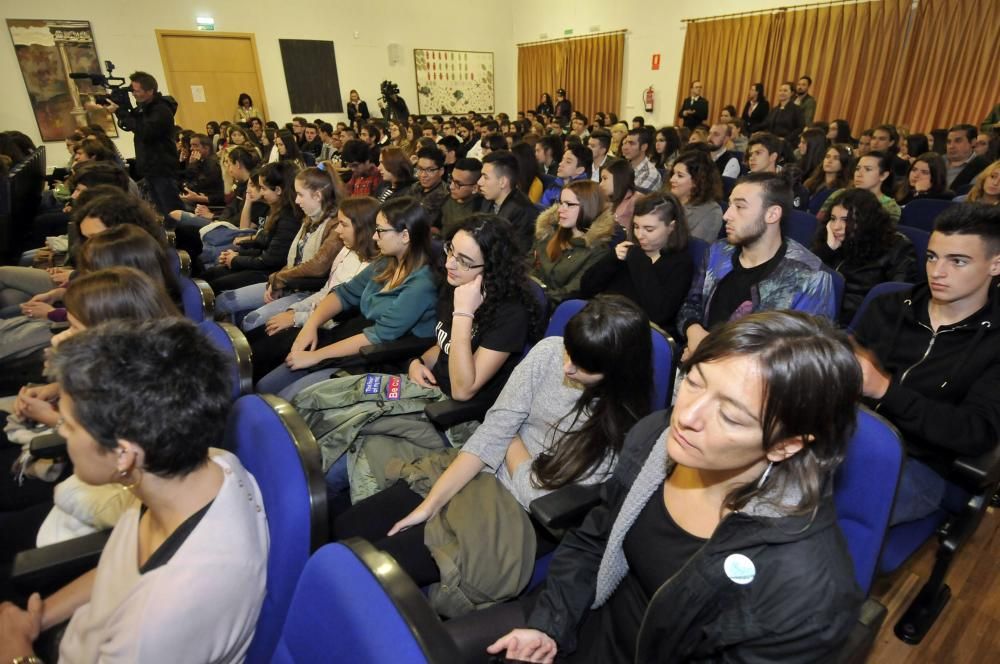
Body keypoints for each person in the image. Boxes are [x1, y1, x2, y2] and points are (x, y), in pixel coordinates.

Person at [484, 310, 864, 664]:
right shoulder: (655, 439)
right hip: (586, 619)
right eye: (694, 382)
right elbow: (594, 539)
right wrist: (549, 624)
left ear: (786, 445)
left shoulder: (806, 594)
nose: (687, 416)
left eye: (729, 415)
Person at [332, 296, 654, 613]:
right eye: (569, 353)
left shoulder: (622, 434)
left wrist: (510, 437)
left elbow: (537, 497)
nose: (567, 367)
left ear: (616, 372)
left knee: (367, 572)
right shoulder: (548, 354)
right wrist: (431, 503)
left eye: (582, 366)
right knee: (346, 530)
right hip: (483, 472)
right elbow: (490, 434)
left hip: (518, 518)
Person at [0, 317, 268, 663]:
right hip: (72, 631)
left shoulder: (156, 623)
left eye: (69, 423)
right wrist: (38, 618)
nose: (61, 433)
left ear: (124, 454)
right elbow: (118, 569)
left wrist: (17, 655)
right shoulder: (210, 466)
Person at [852, 204, 1000, 525]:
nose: (937, 272)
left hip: (921, 465)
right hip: (845, 432)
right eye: (932, 257)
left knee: (823, 501)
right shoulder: (889, 306)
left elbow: (975, 433)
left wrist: (885, 390)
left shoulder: (994, 342)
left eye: (957, 261)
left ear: (995, 264)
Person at [256, 196, 438, 395]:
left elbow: (378, 336)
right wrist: (311, 325)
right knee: (268, 374)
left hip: (383, 356)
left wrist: (316, 356)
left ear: (405, 236)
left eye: (380, 231)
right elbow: (344, 294)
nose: (375, 237)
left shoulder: (422, 284)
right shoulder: (388, 261)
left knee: (286, 392)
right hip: (354, 335)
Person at [677, 173, 836, 359]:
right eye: (729, 205)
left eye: (740, 207)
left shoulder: (810, 277)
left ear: (772, 214)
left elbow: (805, 358)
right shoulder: (718, 253)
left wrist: (715, 358)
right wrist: (695, 333)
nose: (727, 215)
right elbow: (691, 305)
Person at [244, 196, 380, 378]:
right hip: (314, 317)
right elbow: (325, 291)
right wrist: (294, 311)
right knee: (256, 337)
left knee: (264, 351)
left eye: (344, 224)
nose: (338, 230)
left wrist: (297, 319)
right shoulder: (347, 250)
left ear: (363, 228)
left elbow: (344, 318)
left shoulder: (376, 268)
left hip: (332, 330)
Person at [214, 165, 345, 325]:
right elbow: (293, 260)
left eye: (300, 195)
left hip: (308, 291)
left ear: (317, 196)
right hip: (288, 282)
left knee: (251, 321)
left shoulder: (335, 226)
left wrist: (280, 278)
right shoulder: (309, 219)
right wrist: (277, 281)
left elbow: (317, 266)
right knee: (223, 300)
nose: (296, 200)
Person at [581, 192, 694, 333]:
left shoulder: (680, 264)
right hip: (603, 323)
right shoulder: (626, 251)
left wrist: (638, 258)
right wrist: (611, 259)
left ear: (671, 227)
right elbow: (586, 288)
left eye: (649, 229)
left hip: (634, 335)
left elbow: (658, 314)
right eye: (636, 226)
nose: (639, 235)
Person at [812, 188, 919, 324]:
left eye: (846, 220)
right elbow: (803, 279)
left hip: (860, 324)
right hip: (821, 315)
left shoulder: (897, 247)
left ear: (866, 220)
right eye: (833, 219)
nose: (836, 227)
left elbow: (897, 300)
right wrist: (827, 250)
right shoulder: (832, 241)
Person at [86, 71, 181, 216]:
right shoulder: (145, 108)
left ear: (150, 91)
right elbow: (133, 123)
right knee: (162, 211)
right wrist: (119, 110)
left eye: (137, 91)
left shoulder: (161, 110)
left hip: (162, 167)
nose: (134, 94)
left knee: (173, 211)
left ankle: (185, 236)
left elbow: (145, 131)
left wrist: (121, 112)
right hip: (150, 167)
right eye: (132, 90)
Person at [201, 162, 302, 294]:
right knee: (211, 275)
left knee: (215, 286)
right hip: (262, 266)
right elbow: (265, 247)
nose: (262, 193)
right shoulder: (278, 209)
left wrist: (236, 260)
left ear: (278, 190)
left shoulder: (289, 218)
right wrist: (237, 255)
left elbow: (272, 260)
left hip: (269, 274)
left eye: (264, 188)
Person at [532, 180, 615, 305]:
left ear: (588, 208)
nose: (560, 209)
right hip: (530, 299)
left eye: (569, 204)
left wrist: (531, 299)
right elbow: (527, 264)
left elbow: (570, 293)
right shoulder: (549, 231)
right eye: (561, 203)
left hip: (551, 309)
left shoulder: (598, 251)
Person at [476, 150, 539, 253]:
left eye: (485, 177)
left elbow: (515, 255)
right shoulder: (487, 200)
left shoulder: (524, 212)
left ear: (502, 182)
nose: (479, 182)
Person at [818, 151, 902, 224]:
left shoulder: (890, 207)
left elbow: (881, 236)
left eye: (868, 169)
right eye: (857, 168)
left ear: (883, 175)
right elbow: (820, 222)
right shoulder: (840, 194)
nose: (859, 174)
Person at [668, 148, 725, 243]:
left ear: (697, 181)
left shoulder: (711, 212)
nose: (672, 179)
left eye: (680, 176)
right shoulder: (666, 200)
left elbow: (695, 250)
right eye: (673, 174)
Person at [538, 144, 593, 209]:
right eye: (562, 159)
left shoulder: (584, 193)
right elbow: (540, 209)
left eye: (568, 162)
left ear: (580, 170)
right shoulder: (554, 185)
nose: (560, 164)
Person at [441, 158, 484, 239]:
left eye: (458, 184)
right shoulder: (445, 198)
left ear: (475, 188)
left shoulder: (481, 210)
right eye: (451, 180)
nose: (451, 187)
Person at [945, 124, 990, 191]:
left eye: (958, 141)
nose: (951, 146)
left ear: (973, 142)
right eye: (948, 142)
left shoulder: (982, 166)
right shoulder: (938, 161)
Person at [599, 158, 638, 235]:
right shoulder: (606, 199)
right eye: (601, 179)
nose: (601, 184)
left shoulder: (636, 201)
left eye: (605, 178)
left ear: (619, 178)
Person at [621, 128, 662, 194]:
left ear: (643, 147)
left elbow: (633, 201)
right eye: (625, 143)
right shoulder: (623, 167)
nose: (625, 147)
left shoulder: (650, 174)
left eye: (631, 143)